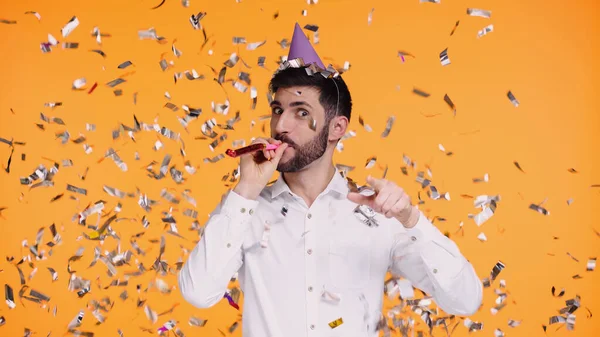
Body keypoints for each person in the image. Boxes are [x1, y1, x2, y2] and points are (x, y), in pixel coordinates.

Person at [178, 23, 483, 337]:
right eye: (277, 109)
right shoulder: (245, 211)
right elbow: (198, 293)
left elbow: (465, 299)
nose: (280, 124)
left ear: (337, 128)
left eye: (300, 112)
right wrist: (246, 190)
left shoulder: (377, 215)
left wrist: (412, 219)